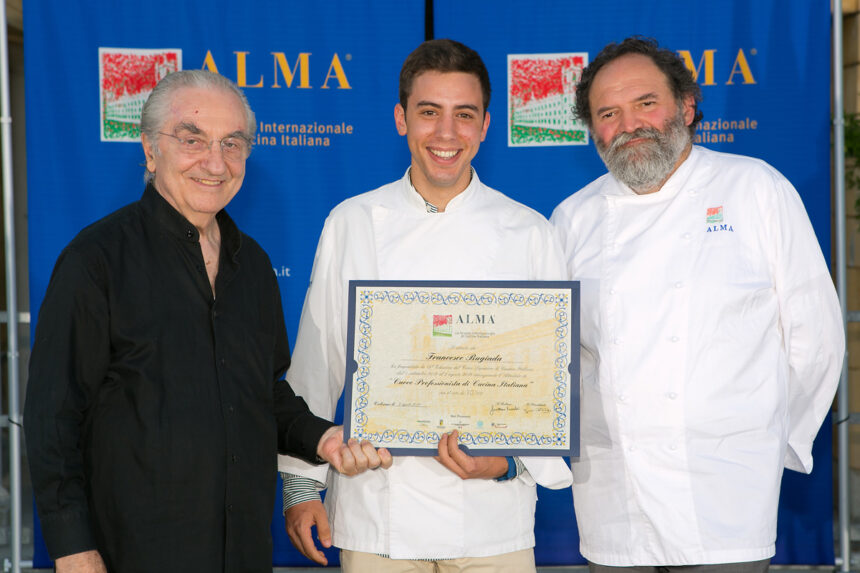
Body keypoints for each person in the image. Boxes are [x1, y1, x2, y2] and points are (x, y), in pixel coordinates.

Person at [24, 69, 392, 573]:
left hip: (241, 553)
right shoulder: (96, 261)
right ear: (150, 150)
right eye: (192, 139)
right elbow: (53, 417)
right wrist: (72, 549)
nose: (215, 163)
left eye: (232, 144)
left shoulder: (253, 265)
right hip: (130, 553)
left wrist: (321, 437)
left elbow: (262, 395)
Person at [278, 39, 572, 572]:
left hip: (492, 520)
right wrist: (301, 488)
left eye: (465, 115)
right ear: (401, 119)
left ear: (485, 125)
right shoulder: (352, 221)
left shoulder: (529, 231)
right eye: (429, 112)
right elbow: (318, 361)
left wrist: (506, 465)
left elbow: (549, 382)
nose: (446, 133)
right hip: (377, 510)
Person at [550, 37, 844, 571]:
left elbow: (815, 336)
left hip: (725, 491)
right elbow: (555, 356)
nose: (630, 125)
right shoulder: (572, 218)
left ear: (686, 106)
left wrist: (768, 445)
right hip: (614, 494)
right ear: (592, 129)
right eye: (608, 113)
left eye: (646, 103)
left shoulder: (754, 187)